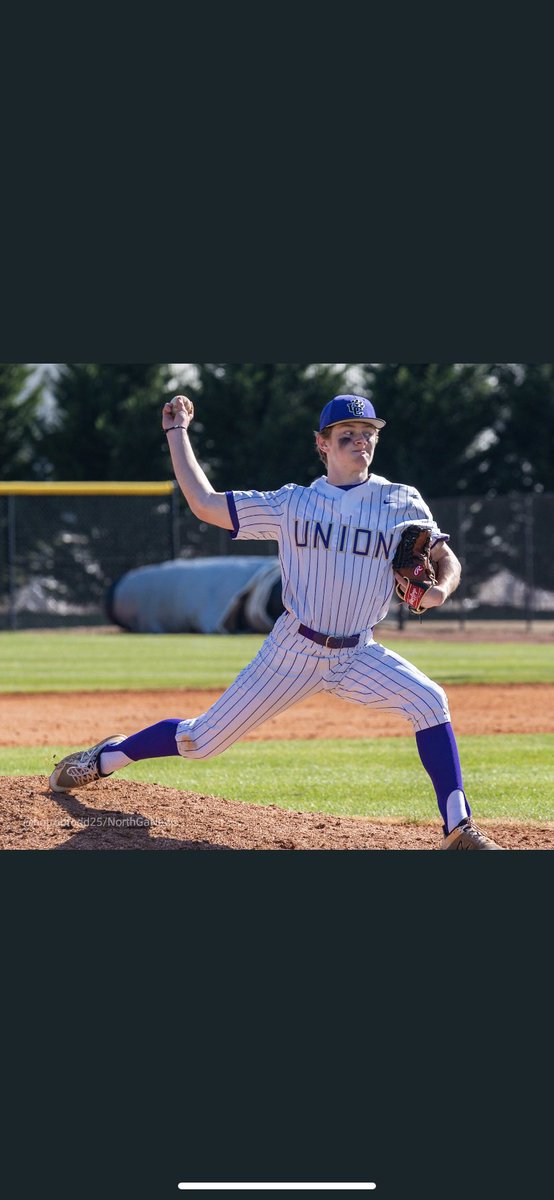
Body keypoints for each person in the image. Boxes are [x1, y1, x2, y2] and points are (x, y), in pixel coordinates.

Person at [49, 393, 503, 850]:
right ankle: (107, 756)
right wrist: (177, 433)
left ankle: (457, 830)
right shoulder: (292, 505)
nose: (360, 442)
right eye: (347, 435)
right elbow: (205, 503)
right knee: (201, 741)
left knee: (429, 701)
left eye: (368, 434)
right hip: (293, 650)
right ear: (322, 444)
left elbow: (445, 556)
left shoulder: (401, 500)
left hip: (359, 652)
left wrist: (440, 589)